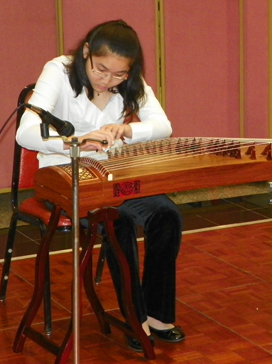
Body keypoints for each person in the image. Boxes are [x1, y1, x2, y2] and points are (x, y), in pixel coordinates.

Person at [16, 20, 185, 351]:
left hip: (111, 172)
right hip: (63, 174)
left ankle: (157, 315)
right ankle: (134, 320)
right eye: (101, 70)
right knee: (116, 222)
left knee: (167, 215)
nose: (108, 80)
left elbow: (163, 126)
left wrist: (127, 131)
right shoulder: (60, 72)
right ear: (86, 53)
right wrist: (76, 141)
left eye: (118, 74)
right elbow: (26, 132)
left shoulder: (129, 80)